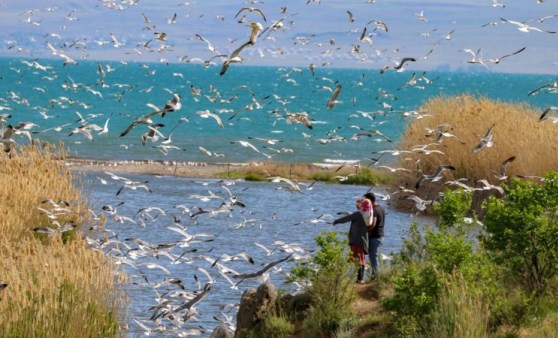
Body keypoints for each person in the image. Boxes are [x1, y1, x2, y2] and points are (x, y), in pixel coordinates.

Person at [332, 198, 371, 284]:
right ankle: (358, 279)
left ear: (362, 205)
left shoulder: (358, 214)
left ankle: (360, 279)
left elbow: (347, 218)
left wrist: (336, 221)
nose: (357, 205)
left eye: (359, 204)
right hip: (363, 240)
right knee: (360, 259)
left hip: (357, 240)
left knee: (358, 260)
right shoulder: (368, 214)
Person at [364, 192, 385, 279]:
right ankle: (376, 274)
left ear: (369, 200)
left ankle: (376, 276)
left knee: (373, 257)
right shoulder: (381, 208)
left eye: (365, 200)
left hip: (375, 236)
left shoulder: (374, 210)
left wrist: (367, 230)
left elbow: (373, 223)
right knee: (374, 256)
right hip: (380, 236)